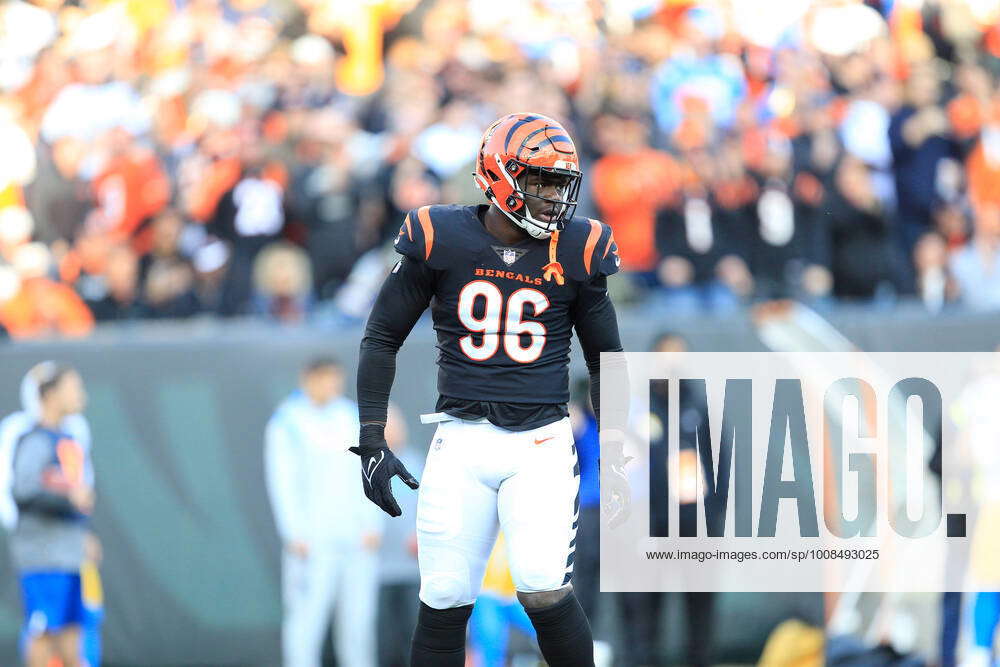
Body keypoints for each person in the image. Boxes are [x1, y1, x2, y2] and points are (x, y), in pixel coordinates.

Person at [350, 112, 630, 667]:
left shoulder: (579, 246)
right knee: (446, 594)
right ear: (498, 176)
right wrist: (371, 436)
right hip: (461, 440)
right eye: (540, 180)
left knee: (543, 588)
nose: (553, 197)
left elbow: (606, 360)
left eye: (560, 183)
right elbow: (381, 336)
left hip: (541, 446)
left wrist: (616, 446)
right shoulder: (441, 235)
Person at [264, 357, 383, 667]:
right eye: (325, 379)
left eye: (336, 379)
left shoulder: (350, 416)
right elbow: (282, 482)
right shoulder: (287, 422)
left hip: (357, 539)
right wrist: (294, 533)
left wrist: (373, 522)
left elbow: (370, 470)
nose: (332, 386)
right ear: (308, 379)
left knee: (358, 623)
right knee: (306, 621)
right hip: (313, 542)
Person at [0, 362, 103, 667]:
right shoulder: (35, 440)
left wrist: (83, 534)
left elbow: (74, 497)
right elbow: (24, 491)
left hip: (68, 552)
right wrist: (68, 498)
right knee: (43, 631)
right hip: (43, 554)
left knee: (73, 631)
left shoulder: (68, 439)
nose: (80, 394)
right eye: (72, 387)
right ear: (50, 394)